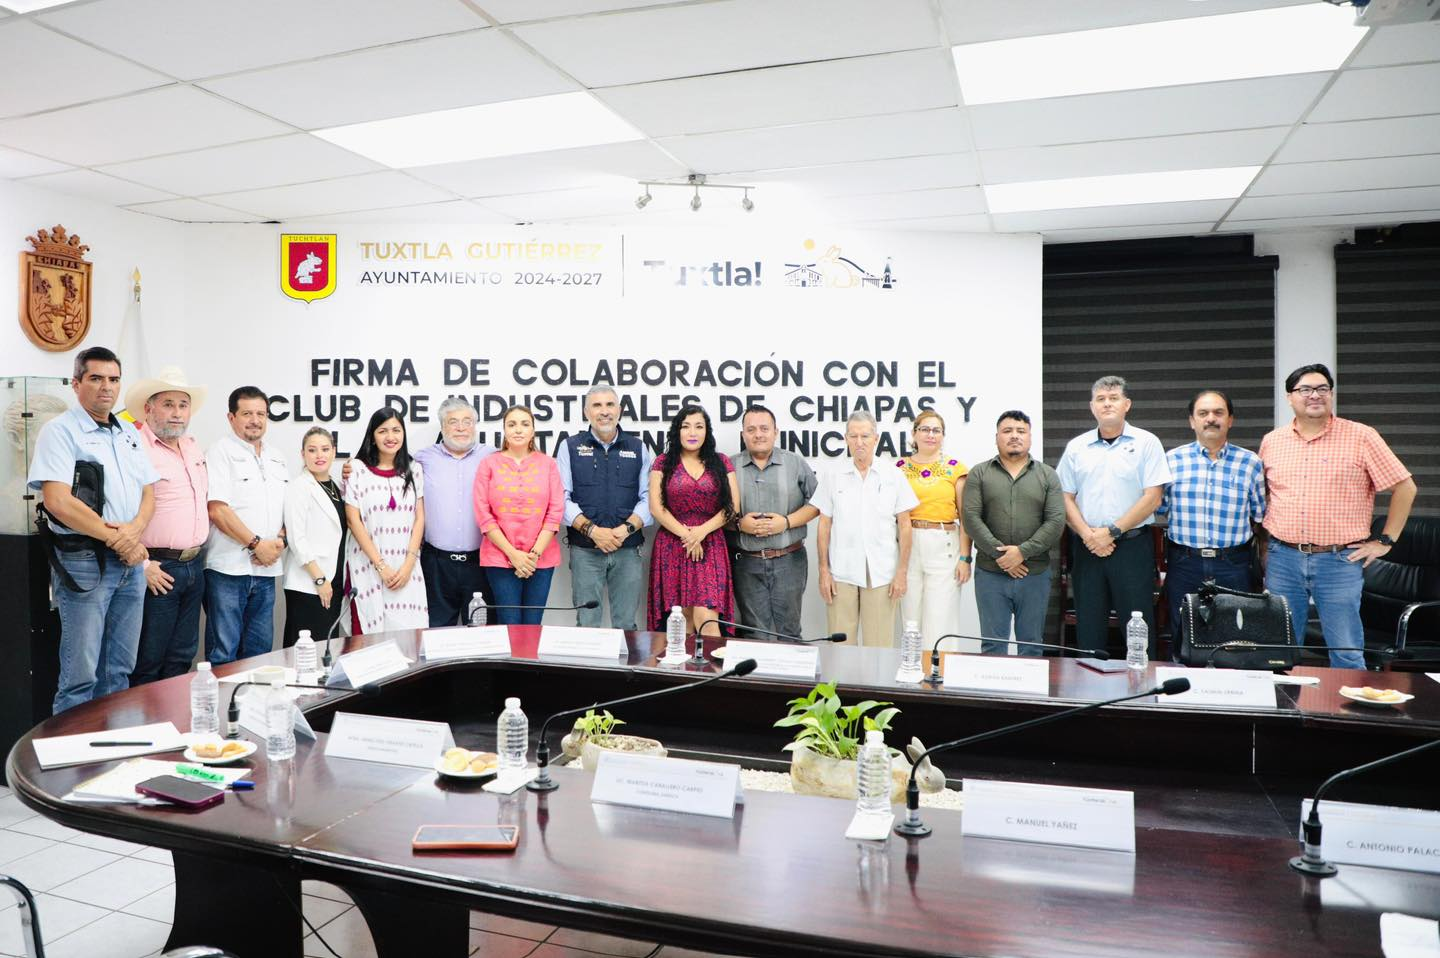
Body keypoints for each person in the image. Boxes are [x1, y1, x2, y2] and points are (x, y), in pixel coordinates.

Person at [1260, 363, 1416, 669]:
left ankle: (1346, 702)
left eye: (1322, 388)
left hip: (1338, 561)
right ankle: (1281, 701)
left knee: (1346, 652)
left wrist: (1385, 540)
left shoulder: (1361, 436)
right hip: (1283, 559)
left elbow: (1405, 487)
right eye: (1305, 389)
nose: (1314, 395)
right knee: (1279, 651)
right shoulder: (1272, 441)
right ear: (1290, 397)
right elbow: (1266, 495)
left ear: (1331, 394)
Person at [28, 346, 157, 713]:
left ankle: (112, 746)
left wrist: (134, 532)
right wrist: (120, 539)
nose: (106, 387)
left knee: (119, 670)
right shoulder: (60, 431)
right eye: (96, 378)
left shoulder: (128, 432)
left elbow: (149, 492)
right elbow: (58, 501)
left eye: (114, 379)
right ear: (76, 383)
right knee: (80, 676)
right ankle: (70, 750)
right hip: (86, 561)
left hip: (129, 564)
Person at [1057, 376, 1171, 656]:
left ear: (1127, 404)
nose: (1107, 404)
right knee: (1088, 630)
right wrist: (1089, 536)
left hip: (1131, 547)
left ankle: (1141, 684)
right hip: (1087, 548)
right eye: (1100, 399)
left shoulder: (1147, 442)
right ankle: (1089, 681)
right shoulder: (1077, 447)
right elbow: (1064, 497)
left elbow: (1153, 498)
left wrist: (1111, 532)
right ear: (1092, 407)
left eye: (1114, 398)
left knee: (1137, 630)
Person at [1158, 390, 1266, 651]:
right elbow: (1158, 507)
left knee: (1235, 638)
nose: (1211, 419)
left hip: (1233, 564)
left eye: (1218, 413)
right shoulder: (1171, 461)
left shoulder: (1250, 463)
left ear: (1230, 420)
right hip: (1185, 562)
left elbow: (1260, 516)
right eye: (1203, 413)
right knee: (1183, 635)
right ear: (1192, 421)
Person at [128, 367, 209, 685]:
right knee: (148, 660)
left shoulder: (192, 446)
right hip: (157, 569)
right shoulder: (134, 448)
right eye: (168, 404)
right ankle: (144, 718)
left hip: (194, 566)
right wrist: (142, 566)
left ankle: (174, 717)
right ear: (148, 408)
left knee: (181, 656)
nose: (177, 413)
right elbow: (118, 512)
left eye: (183, 405)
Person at [812, 410, 918, 647]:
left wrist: (901, 572)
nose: (859, 442)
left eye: (865, 436)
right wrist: (823, 571)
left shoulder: (893, 475)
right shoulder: (833, 475)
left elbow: (905, 526)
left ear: (876, 439)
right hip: (841, 571)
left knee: (879, 647)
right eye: (853, 436)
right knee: (840, 646)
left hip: (881, 572)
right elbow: (824, 525)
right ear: (846, 439)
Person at [962, 410, 1065, 655]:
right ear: (997, 437)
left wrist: (1021, 553)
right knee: (992, 645)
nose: (1014, 436)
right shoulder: (979, 473)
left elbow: (1056, 521)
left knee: (1031, 645)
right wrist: (1002, 556)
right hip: (990, 573)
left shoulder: (1047, 475)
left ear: (1030, 437)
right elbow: (971, 518)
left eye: (1021, 431)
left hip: (1034, 573)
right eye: (1007, 431)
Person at [556, 386, 653, 630]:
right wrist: (593, 531)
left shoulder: (638, 447)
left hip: (627, 549)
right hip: (585, 551)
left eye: (610, 405)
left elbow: (648, 499)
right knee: (587, 623)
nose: (604, 411)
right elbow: (562, 499)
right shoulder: (570, 446)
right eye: (597, 405)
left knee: (626, 624)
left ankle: (627, 659)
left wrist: (625, 530)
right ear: (586, 412)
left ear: (619, 410)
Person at [204, 386, 288, 665]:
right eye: (247, 414)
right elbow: (217, 509)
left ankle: (254, 697)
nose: (255, 420)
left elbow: (286, 509)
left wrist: (279, 542)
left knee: (259, 653)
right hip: (228, 570)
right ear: (231, 418)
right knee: (224, 653)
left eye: (261, 414)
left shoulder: (277, 457)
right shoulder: (219, 451)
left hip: (266, 569)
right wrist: (256, 544)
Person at [648, 405, 739, 639]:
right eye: (686, 426)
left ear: (707, 431)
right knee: (682, 622)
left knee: (707, 620)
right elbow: (656, 508)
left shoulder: (721, 461)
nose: (692, 432)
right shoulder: (663, 462)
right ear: (677, 431)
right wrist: (687, 535)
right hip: (673, 544)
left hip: (710, 545)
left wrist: (700, 533)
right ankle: (684, 665)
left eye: (699, 427)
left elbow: (733, 508)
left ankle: (711, 664)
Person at [729, 405, 818, 639]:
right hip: (745, 563)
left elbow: (818, 503)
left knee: (790, 633)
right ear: (743, 434)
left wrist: (786, 522)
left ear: (775, 432)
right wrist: (738, 524)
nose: (758, 434)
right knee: (754, 634)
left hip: (789, 560)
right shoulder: (730, 466)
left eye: (764, 428)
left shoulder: (795, 463)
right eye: (751, 429)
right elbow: (716, 511)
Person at [473, 405, 564, 625]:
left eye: (525, 424)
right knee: (509, 622)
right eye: (512, 424)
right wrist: (513, 554)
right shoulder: (489, 464)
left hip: (540, 559)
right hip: (499, 557)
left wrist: (533, 556)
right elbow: (483, 514)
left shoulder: (548, 464)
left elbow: (555, 512)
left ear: (533, 431)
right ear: (504, 430)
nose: (518, 429)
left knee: (533, 624)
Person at [346, 407, 428, 633]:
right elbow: (353, 520)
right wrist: (381, 566)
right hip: (367, 566)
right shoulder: (357, 469)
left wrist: (409, 564)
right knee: (368, 638)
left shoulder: (414, 469)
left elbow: (419, 518)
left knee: (410, 639)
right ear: (372, 436)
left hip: (407, 567)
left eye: (396, 430)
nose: (390, 437)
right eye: (383, 431)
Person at [414, 398, 493, 626]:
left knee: (482, 632)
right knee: (436, 631)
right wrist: (353, 467)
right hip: (436, 564)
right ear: (442, 427)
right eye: (453, 422)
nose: (461, 428)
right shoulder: (422, 458)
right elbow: (387, 468)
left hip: (481, 563)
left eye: (467, 421)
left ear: (475, 426)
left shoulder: (492, 456)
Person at [896, 410, 971, 646]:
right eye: (925, 429)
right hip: (907, 543)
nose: (930, 435)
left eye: (936, 430)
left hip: (943, 542)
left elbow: (966, 517)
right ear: (914, 434)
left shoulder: (955, 468)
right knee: (910, 618)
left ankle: (939, 668)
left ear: (943, 435)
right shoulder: (898, 468)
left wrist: (965, 558)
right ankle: (912, 666)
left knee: (940, 618)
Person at [282, 427, 347, 646]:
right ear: (303, 454)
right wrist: (319, 579)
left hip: (333, 579)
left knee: (327, 647)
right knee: (305, 650)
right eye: (312, 450)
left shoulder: (336, 486)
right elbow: (296, 538)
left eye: (325, 449)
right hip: (309, 582)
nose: (319, 455)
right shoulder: (299, 487)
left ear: (334, 452)